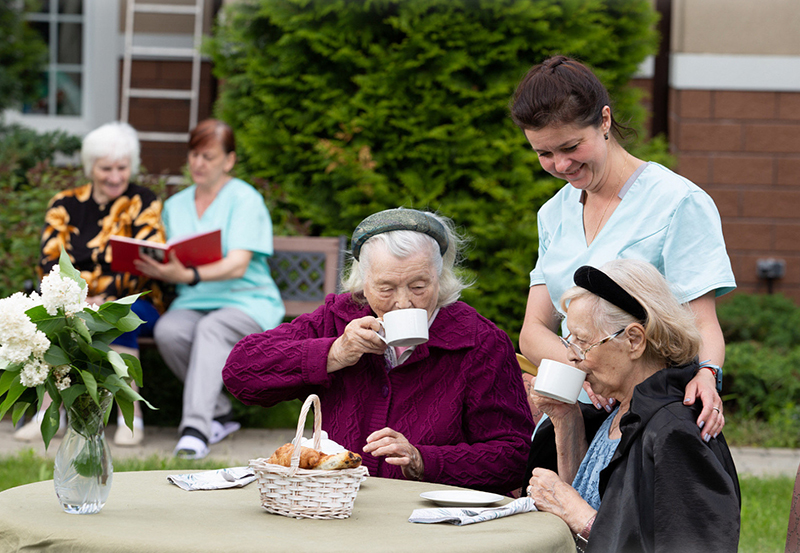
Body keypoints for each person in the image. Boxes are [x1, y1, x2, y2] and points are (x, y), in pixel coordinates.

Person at [222, 207, 534, 495]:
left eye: (419, 286)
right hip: (335, 507)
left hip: (431, 520)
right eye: (385, 288)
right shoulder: (339, 318)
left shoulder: (479, 341)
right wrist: (335, 352)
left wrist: (421, 459)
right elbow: (240, 373)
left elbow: (514, 456)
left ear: (440, 278)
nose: (403, 302)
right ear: (363, 283)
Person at [510, 55, 735, 440]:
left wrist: (707, 374)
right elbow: (533, 330)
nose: (561, 165)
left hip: (648, 414)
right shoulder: (553, 213)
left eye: (571, 146)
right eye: (544, 153)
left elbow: (701, 321)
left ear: (605, 120)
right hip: (574, 406)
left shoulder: (678, 202)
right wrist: (586, 372)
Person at [526, 259, 740, 553]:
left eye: (583, 342)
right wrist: (566, 421)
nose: (572, 356)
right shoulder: (622, 411)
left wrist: (582, 519)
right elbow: (593, 500)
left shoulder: (675, 433)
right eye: (569, 340)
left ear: (634, 340)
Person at [135, 119, 284, 460]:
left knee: (211, 328)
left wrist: (187, 275)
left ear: (228, 160)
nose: (199, 163)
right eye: (194, 155)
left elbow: (238, 265)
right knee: (170, 329)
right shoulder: (175, 205)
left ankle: (195, 429)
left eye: (208, 156)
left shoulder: (246, 199)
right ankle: (219, 412)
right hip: (195, 300)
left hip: (246, 301)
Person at [14, 121, 164, 446]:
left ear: (131, 166)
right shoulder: (64, 204)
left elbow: (147, 259)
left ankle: (131, 418)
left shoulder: (143, 201)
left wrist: (105, 296)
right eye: (106, 167)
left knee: (117, 318)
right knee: (54, 320)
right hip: (75, 301)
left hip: (132, 300)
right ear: (90, 167)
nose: (115, 176)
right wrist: (80, 298)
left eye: (122, 168)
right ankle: (47, 415)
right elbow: (49, 260)